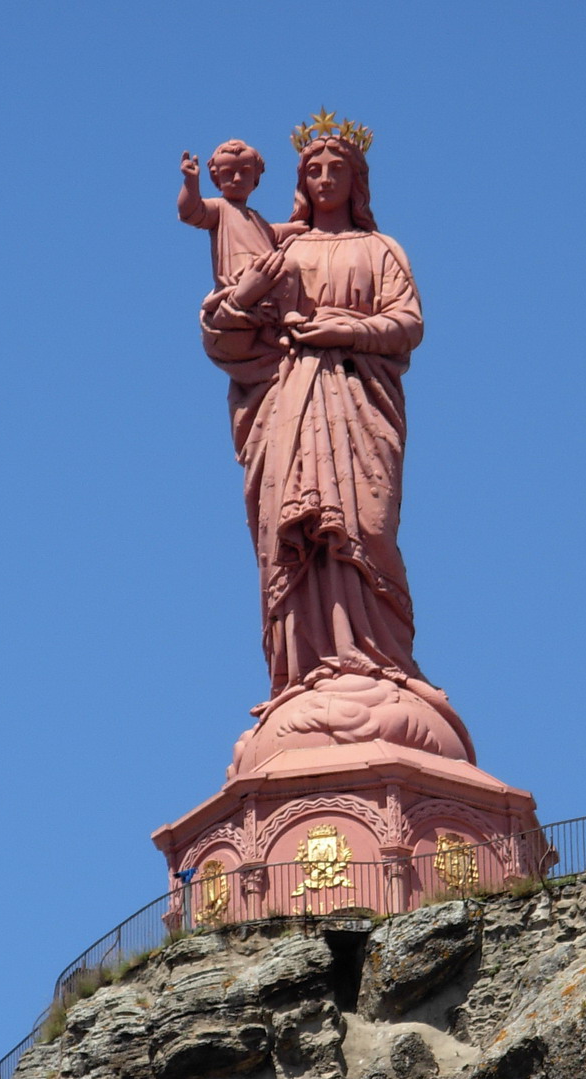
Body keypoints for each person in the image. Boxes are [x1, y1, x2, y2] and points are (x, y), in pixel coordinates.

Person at [199, 133, 436, 712]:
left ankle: (380, 659)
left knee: (367, 526)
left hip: (358, 399)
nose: (325, 178)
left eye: (337, 169)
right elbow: (226, 334)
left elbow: (407, 323)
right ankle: (304, 665)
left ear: (358, 181)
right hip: (288, 402)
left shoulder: (380, 248)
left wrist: (344, 330)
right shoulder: (282, 248)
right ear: (301, 181)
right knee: (294, 527)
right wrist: (240, 300)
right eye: (313, 169)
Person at [177, 140, 304, 292]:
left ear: (256, 177)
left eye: (244, 172)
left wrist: (298, 227)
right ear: (216, 178)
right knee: (288, 266)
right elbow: (190, 211)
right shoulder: (219, 207)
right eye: (228, 173)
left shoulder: (254, 216)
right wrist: (191, 181)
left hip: (267, 274)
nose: (237, 178)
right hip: (243, 277)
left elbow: (271, 233)